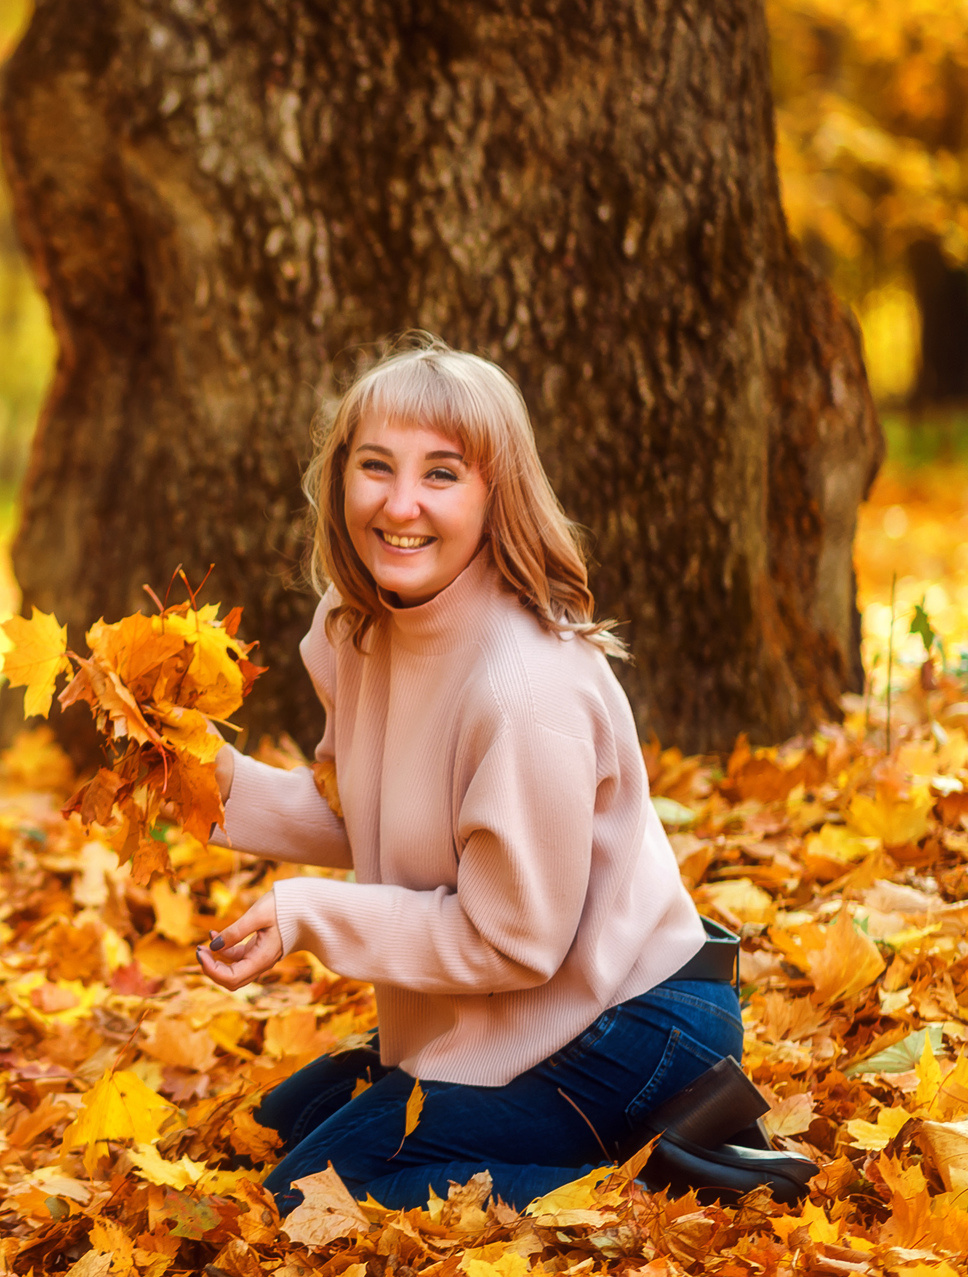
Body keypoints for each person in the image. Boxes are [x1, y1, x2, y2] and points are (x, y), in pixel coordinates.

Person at [196, 335, 813, 1211]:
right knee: (275, 1127)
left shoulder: (525, 687)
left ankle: (668, 1184)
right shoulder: (356, 623)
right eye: (376, 465)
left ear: (496, 494)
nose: (400, 503)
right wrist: (203, 781)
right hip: (520, 1005)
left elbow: (513, 940)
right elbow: (364, 808)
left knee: (312, 1196)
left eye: (441, 474)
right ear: (340, 478)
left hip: (629, 1023)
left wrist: (308, 914)